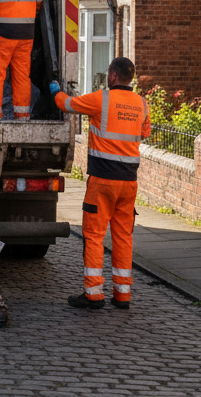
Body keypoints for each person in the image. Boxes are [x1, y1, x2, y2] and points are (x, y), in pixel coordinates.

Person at [48, 57, 149, 310]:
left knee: (94, 236)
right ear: (131, 78)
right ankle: (122, 295)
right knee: (123, 236)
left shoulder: (101, 99)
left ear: (113, 76)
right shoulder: (142, 104)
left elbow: (67, 104)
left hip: (103, 181)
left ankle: (94, 294)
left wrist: (54, 90)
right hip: (129, 183)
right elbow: (144, 132)